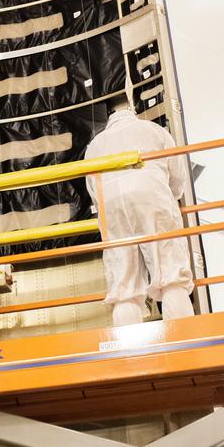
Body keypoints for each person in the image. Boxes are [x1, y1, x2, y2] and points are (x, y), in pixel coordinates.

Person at [84, 97, 194, 327]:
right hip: (153, 197)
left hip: (112, 207)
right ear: (132, 112)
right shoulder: (153, 130)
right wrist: (169, 198)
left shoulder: (95, 145)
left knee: (124, 284)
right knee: (170, 273)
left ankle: (129, 348)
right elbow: (177, 181)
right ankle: (183, 335)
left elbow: (94, 191)